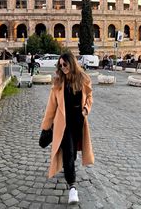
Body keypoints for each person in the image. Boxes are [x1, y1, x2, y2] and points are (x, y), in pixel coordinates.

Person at [40, 51, 94, 204]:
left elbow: (89, 96)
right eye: (60, 65)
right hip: (62, 124)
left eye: (65, 64)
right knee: (68, 154)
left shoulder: (83, 78)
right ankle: (72, 188)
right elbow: (51, 107)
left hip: (79, 122)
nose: (63, 67)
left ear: (72, 63)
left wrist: (85, 110)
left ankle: (69, 168)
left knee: (73, 151)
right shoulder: (58, 83)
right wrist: (46, 126)